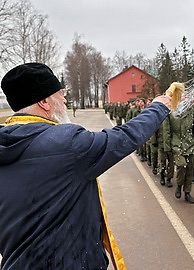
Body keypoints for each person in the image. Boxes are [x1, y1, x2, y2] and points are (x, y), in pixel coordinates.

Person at [0, 63, 171, 269]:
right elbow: (124, 137)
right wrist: (159, 107)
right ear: (45, 101)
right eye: (60, 94)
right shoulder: (66, 143)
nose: (64, 100)